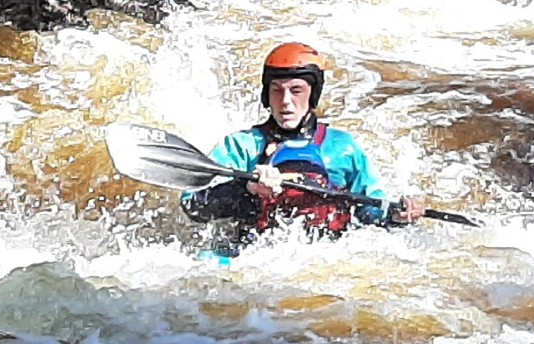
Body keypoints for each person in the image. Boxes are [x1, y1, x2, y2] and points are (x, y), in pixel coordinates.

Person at [182, 42, 426, 241]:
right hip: (253, 252)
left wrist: (397, 214)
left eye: (296, 90)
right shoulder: (242, 146)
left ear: (313, 94)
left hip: (323, 255)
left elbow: (370, 212)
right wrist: (248, 190)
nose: (285, 101)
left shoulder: (343, 149)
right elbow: (193, 205)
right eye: (277, 90)